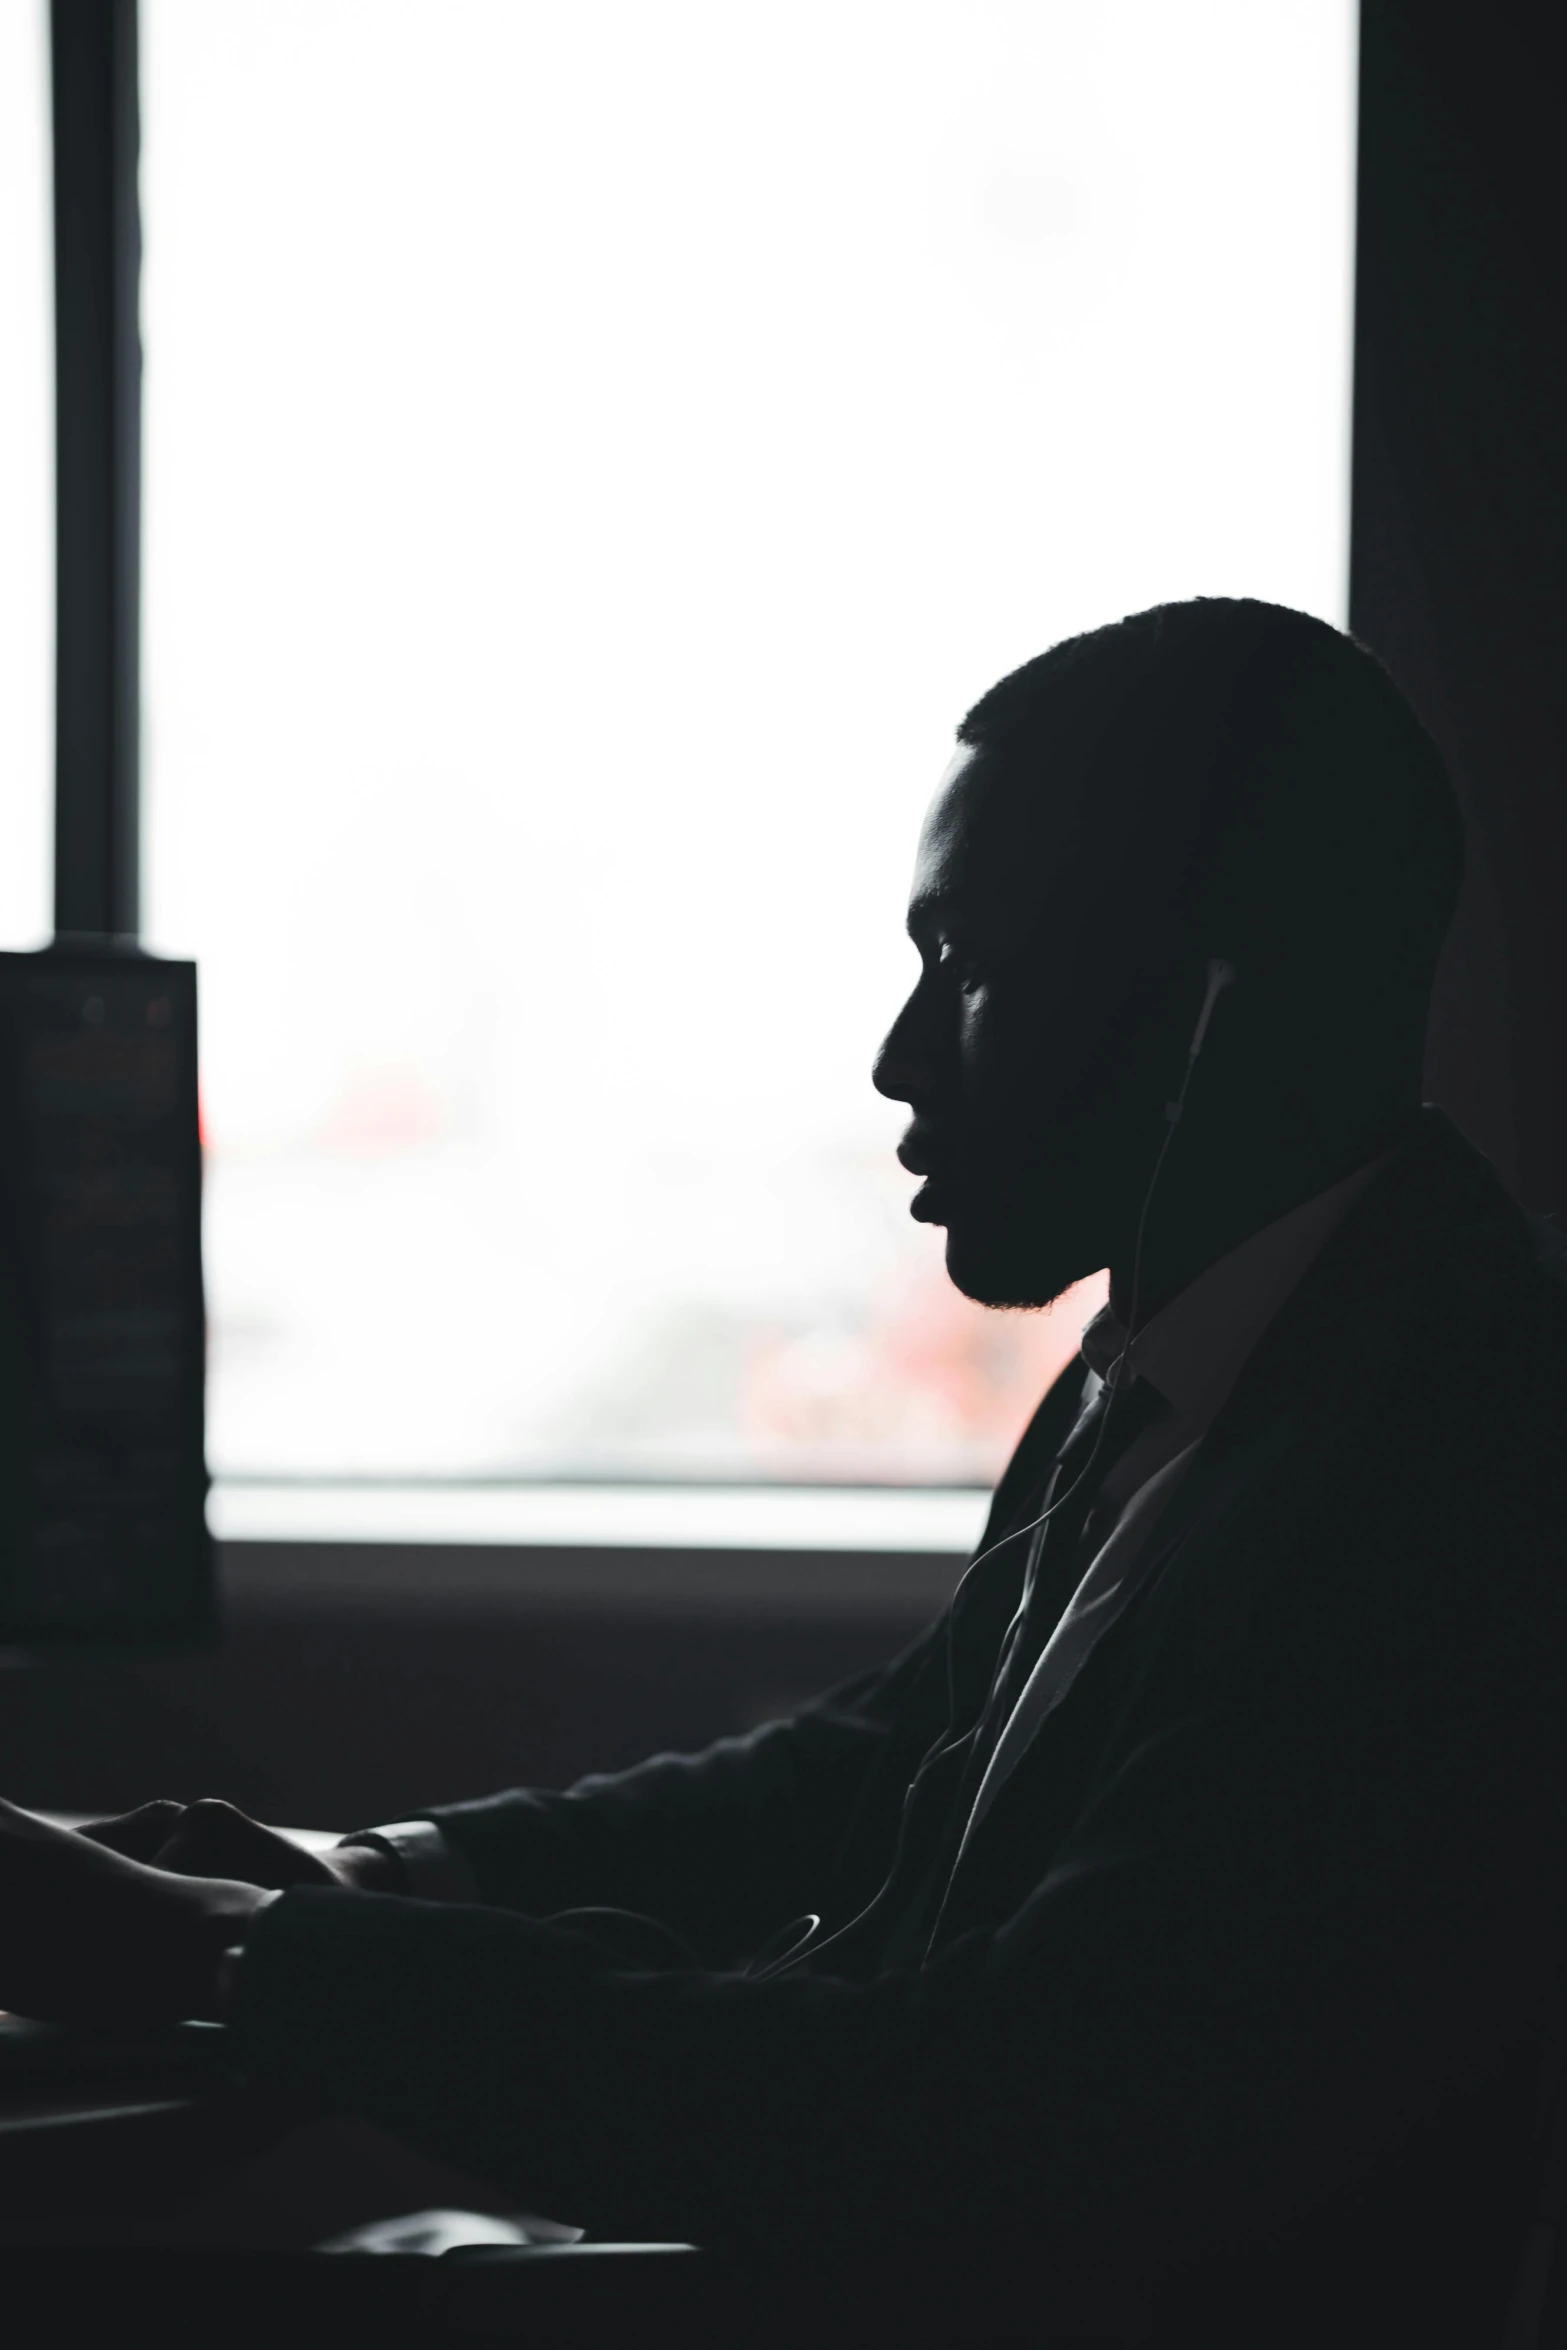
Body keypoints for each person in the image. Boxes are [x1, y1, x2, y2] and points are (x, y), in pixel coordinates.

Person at [4, 596, 1566, 2345]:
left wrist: (219, 1945)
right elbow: (875, 1764)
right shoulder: (1193, 1352)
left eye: (965, 965)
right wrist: (354, 1866)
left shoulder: (1445, 1469)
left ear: (1207, 1008)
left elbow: (976, 2116)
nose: (900, 1057)